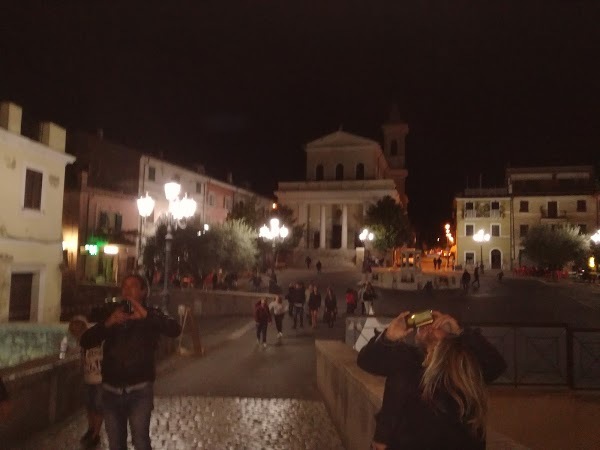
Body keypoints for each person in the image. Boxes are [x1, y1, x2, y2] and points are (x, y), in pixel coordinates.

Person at [357, 310, 506, 450]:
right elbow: (366, 361)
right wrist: (389, 336)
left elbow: (496, 366)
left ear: (449, 335)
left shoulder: (462, 360)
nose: (427, 327)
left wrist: (460, 332)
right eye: (422, 324)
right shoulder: (405, 357)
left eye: (436, 324)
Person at [80, 274, 181, 450]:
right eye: (124, 286)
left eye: (133, 286)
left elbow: (174, 329)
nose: (127, 290)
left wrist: (146, 315)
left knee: (141, 440)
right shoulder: (112, 313)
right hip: (111, 390)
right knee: (116, 443)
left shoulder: (151, 314)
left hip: (139, 390)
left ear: (143, 291)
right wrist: (108, 323)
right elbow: (86, 340)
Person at [69, 315, 104, 448]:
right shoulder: (82, 343)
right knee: (90, 405)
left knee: (98, 406)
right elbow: (83, 360)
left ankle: (95, 434)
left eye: (76, 331)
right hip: (89, 377)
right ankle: (91, 430)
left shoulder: (95, 337)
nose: (75, 334)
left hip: (100, 378)